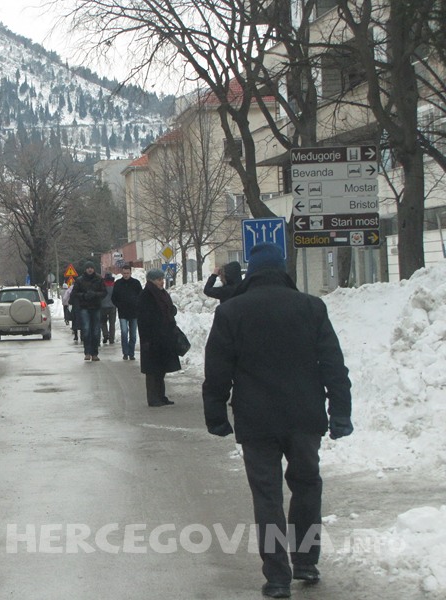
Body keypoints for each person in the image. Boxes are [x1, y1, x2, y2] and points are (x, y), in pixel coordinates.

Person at [202, 243, 353, 599]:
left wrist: (216, 414)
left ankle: (277, 577)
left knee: (266, 495)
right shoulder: (311, 307)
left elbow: (218, 369)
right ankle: (306, 561)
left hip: (256, 420)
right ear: (283, 270)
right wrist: (340, 412)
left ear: (252, 272)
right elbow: (333, 364)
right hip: (304, 417)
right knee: (307, 486)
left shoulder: (232, 311)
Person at [137, 269, 181, 406]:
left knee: (161, 368)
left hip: (164, 336)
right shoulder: (146, 295)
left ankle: (161, 396)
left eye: (162, 279)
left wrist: (172, 310)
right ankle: (153, 398)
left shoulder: (162, 293)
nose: (162, 282)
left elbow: (166, 309)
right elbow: (143, 319)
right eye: (158, 279)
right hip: (152, 338)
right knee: (152, 370)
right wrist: (147, 339)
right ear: (151, 280)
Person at [70, 261, 106, 361]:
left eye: (91, 267)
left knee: (96, 331)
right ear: (85, 269)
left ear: (94, 269)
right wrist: (83, 296)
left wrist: (95, 294)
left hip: (96, 307)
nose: (90, 269)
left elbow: (104, 292)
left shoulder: (99, 279)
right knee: (86, 330)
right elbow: (74, 293)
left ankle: (95, 353)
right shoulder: (80, 280)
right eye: (88, 268)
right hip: (84, 307)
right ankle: (87, 352)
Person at [111, 264, 142, 361]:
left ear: (130, 273)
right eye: (124, 273)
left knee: (133, 334)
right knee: (124, 332)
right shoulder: (118, 283)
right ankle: (125, 352)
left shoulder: (136, 283)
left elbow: (141, 296)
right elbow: (113, 297)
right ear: (122, 273)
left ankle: (131, 353)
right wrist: (119, 305)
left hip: (134, 313)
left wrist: (137, 305)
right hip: (123, 313)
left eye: (127, 273)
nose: (126, 275)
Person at [100, 273, 117, 345]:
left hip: (103, 306)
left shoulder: (102, 285)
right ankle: (111, 339)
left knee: (103, 322)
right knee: (112, 323)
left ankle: (105, 335)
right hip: (112, 306)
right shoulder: (114, 285)